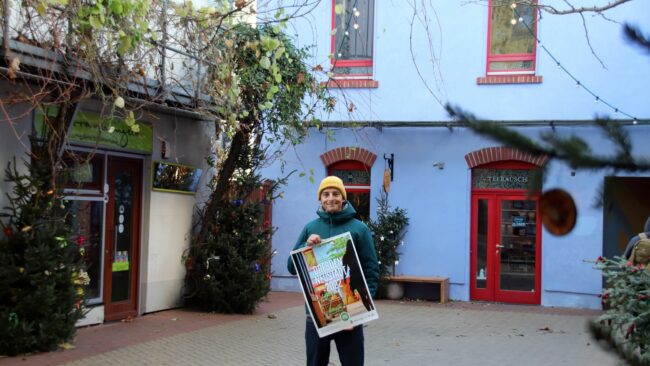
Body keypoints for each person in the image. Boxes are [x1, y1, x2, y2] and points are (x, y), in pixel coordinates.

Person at [287, 176, 379, 366]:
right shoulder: (310, 228)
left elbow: (371, 272)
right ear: (320, 199)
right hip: (317, 315)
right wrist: (306, 246)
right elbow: (291, 266)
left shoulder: (359, 229)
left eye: (336, 194)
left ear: (343, 198)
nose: (331, 198)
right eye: (326, 194)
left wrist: (360, 311)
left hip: (350, 315)